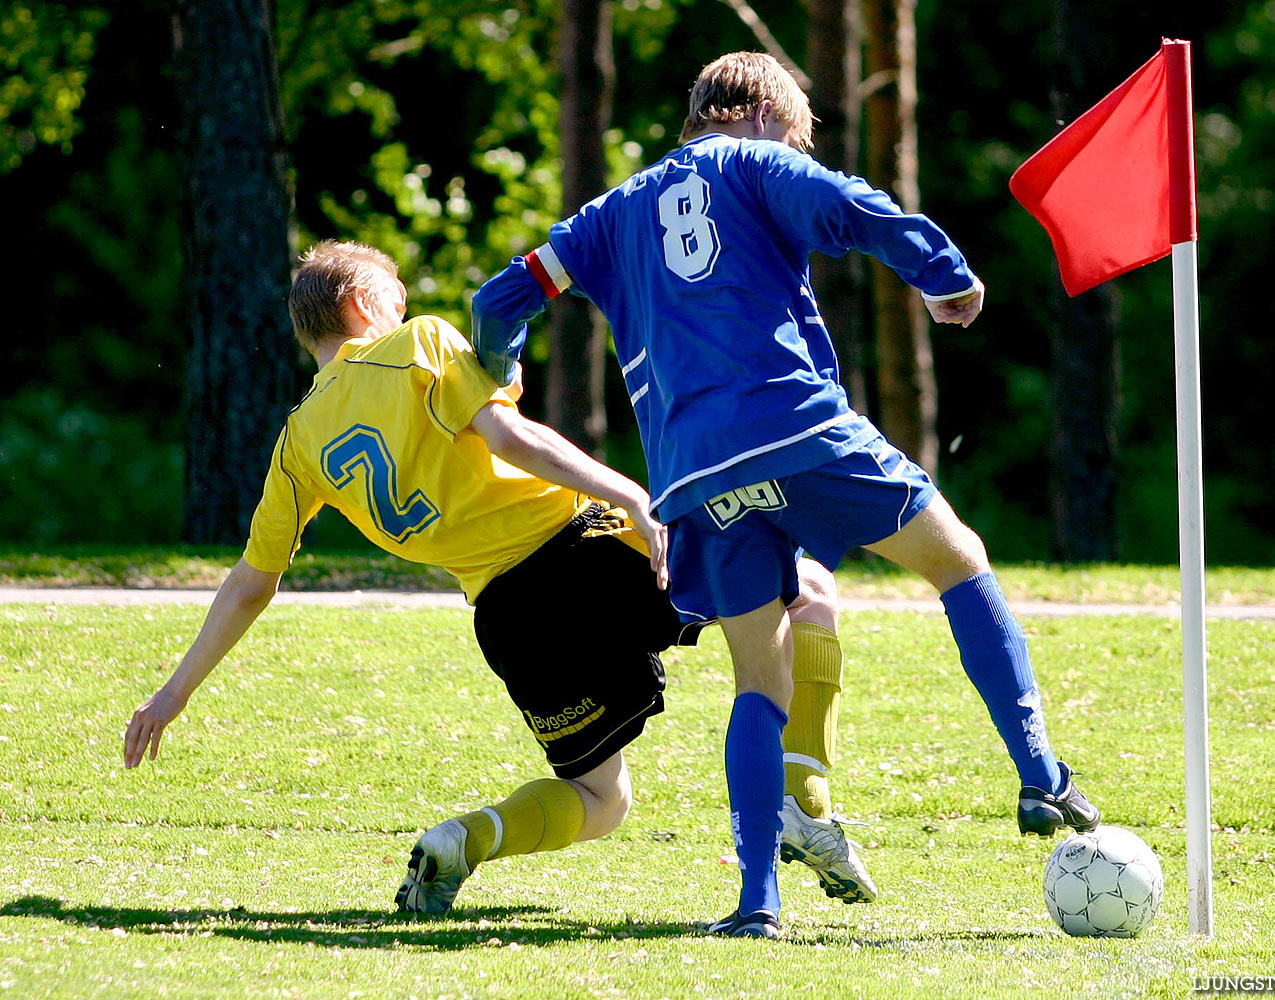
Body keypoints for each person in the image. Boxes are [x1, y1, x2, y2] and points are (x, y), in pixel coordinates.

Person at [470, 52, 1100, 938]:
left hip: (693, 472)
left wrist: (499, 374)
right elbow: (855, 209)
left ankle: (755, 904)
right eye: (799, 135)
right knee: (959, 561)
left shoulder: (606, 216)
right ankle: (1041, 775)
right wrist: (944, 274)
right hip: (796, 427)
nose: (798, 147)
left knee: (755, 679)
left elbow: (499, 301)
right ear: (765, 113)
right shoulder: (757, 161)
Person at [122, 239, 877, 917]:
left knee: (599, 798)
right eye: (395, 295)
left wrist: (172, 693)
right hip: (582, 553)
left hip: (507, 618)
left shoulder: (298, 442)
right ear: (362, 304)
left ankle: (462, 839)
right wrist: (630, 496)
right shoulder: (415, 343)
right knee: (806, 587)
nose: (406, 307)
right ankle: (803, 799)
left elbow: (254, 581)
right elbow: (510, 438)